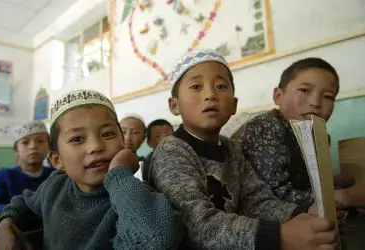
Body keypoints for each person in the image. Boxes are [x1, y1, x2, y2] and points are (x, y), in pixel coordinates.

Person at [151, 49, 341, 250]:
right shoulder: (172, 151)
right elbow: (194, 225)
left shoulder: (232, 149)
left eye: (221, 86)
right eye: (196, 86)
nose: (210, 95)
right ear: (174, 105)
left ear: (233, 105)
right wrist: (280, 236)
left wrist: (301, 214)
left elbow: (257, 201)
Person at [0, 89, 183, 250]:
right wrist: (5, 223)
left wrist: (119, 176)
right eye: (77, 139)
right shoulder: (54, 186)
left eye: (107, 134)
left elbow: (157, 240)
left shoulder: (132, 194)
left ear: (123, 144)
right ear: (57, 160)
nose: (95, 146)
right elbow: (23, 204)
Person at [240, 57, 354, 207]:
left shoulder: (321, 137)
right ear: (278, 96)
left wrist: (331, 180)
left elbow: (306, 183)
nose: (315, 103)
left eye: (327, 96)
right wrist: (346, 197)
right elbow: (276, 195)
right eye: (304, 90)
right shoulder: (265, 126)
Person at [0, 121, 53, 212]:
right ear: (16, 150)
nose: (33, 146)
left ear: (49, 147)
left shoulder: (56, 175)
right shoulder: (3, 176)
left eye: (40, 141)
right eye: (25, 142)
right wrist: (20, 211)